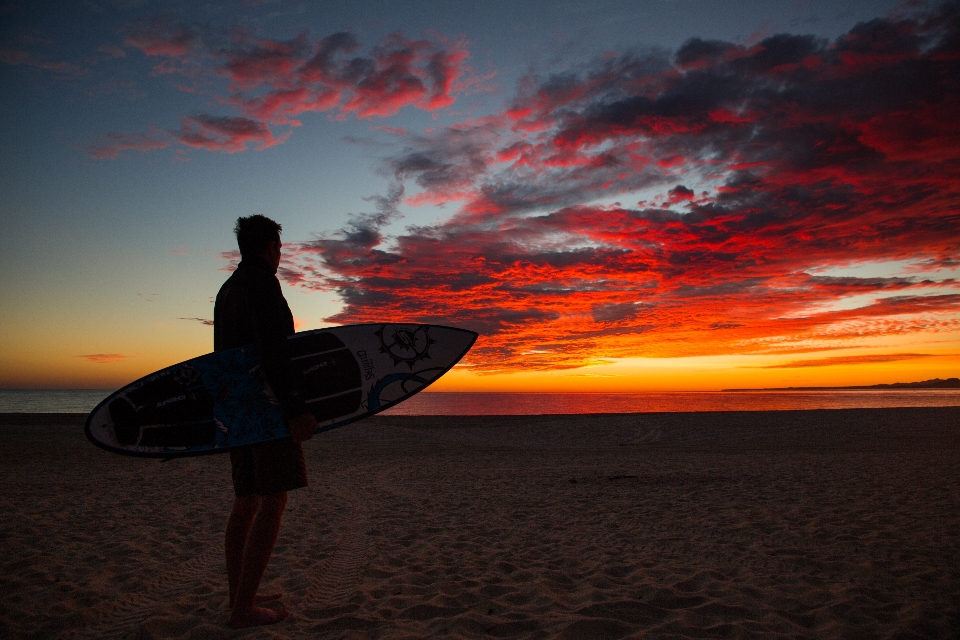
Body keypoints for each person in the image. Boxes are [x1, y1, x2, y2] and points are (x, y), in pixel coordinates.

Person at [214, 215, 318, 629]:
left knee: (247, 500)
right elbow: (274, 351)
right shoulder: (263, 284)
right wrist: (295, 408)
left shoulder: (228, 290)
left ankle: (239, 592)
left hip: (236, 411)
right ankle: (243, 611)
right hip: (266, 409)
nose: (280, 256)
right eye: (279, 248)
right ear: (270, 248)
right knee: (274, 499)